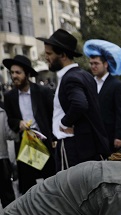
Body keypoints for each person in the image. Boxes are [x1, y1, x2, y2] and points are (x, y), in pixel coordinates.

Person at [36, 29, 110, 171]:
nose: (46, 57)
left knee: (69, 190)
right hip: (86, 146)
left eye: (49, 53)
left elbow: (80, 104)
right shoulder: (84, 75)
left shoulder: (71, 78)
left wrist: (64, 123)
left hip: (73, 148)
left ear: (63, 55)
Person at [2, 54, 55, 193]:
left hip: (43, 141)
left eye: (18, 72)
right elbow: (10, 120)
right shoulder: (9, 96)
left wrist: (54, 139)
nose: (14, 76)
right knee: (27, 187)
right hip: (24, 145)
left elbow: (52, 116)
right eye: (12, 72)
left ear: (27, 74)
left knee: (51, 182)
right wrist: (18, 123)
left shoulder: (43, 92)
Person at [85, 39, 121, 152]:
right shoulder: (88, 83)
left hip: (110, 138)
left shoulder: (117, 85)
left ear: (105, 64)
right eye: (91, 64)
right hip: (91, 138)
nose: (93, 66)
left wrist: (119, 136)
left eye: (96, 63)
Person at [0, 105, 16, 207]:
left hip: (2, 157)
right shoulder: (1, 113)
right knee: (7, 195)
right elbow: (10, 135)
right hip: (1, 158)